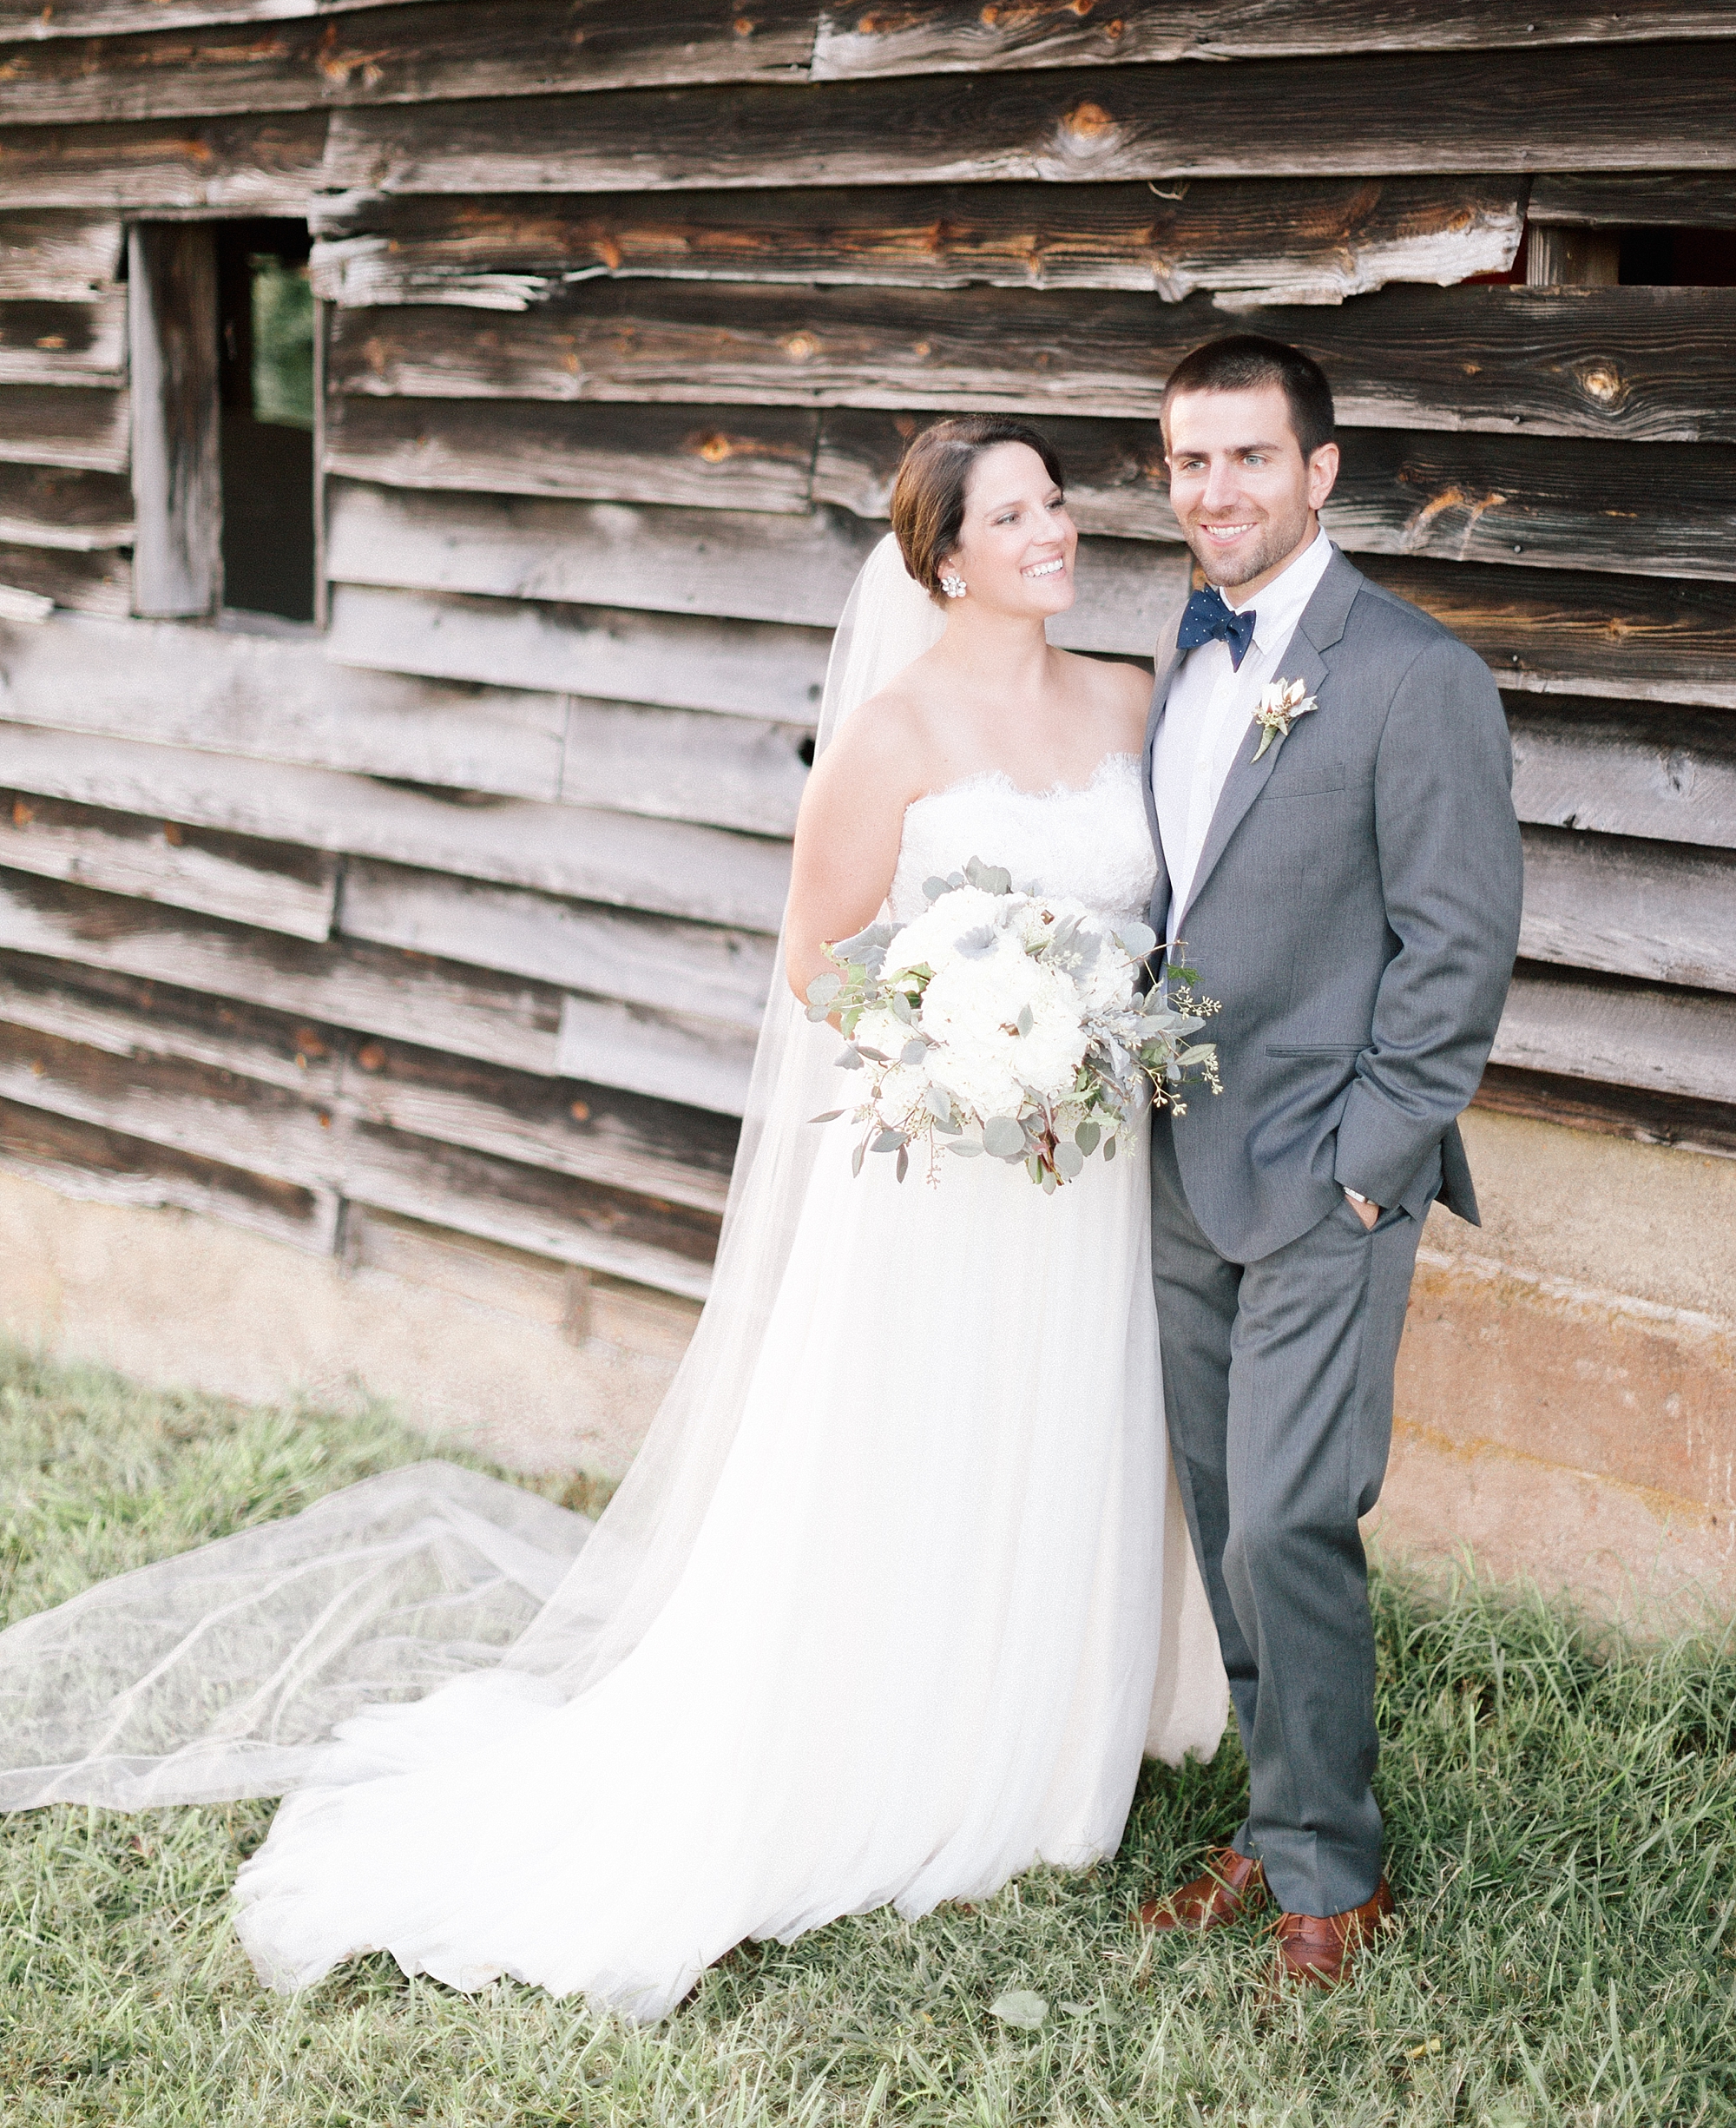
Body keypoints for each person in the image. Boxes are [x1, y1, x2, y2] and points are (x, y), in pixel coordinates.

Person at [0, 417, 1228, 2020]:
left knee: (1062, 1426)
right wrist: (969, 1046)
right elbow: (820, 961)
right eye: (1013, 513)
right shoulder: (892, 734)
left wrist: (1079, 1038)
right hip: (948, 1169)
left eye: (1058, 499)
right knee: (927, 1442)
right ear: (943, 560)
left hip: (1087, 1167)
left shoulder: (1130, 700)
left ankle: (1051, 1728)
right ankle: (903, 1736)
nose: (1055, 528)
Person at [1135, 336, 1522, 1988]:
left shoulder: (1414, 673)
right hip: (1176, 1160)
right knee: (1224, 1511)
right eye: (1186, 463)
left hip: (1328, 1175)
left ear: (1320, 472)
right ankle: (1278, 1817)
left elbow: (1458, 950)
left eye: (1245, 458)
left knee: (1287, 1517)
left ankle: (1335, 1873)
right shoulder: (1184, 645)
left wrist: (1374, 1167)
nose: (1213, 491)